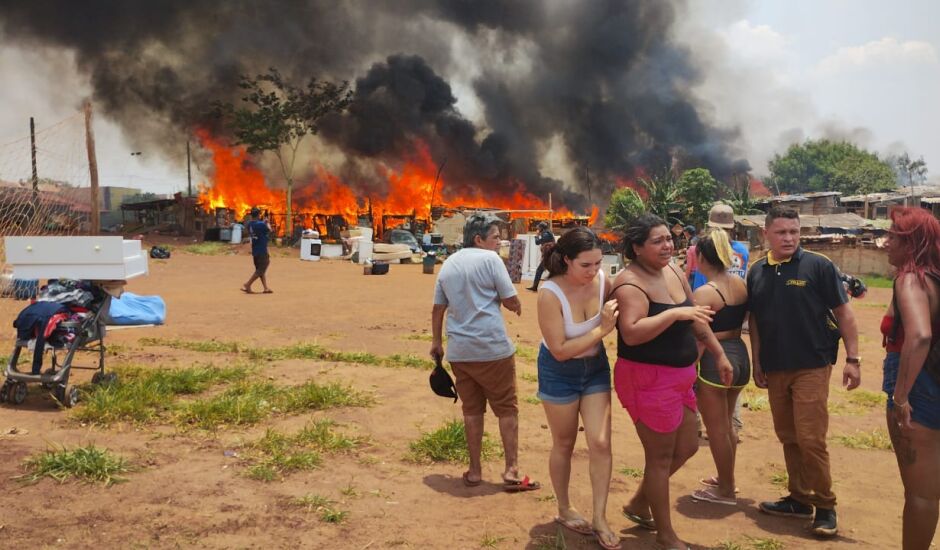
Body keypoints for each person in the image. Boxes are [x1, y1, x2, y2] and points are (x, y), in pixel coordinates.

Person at [611, 214, 732, 550]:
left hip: (681, 376)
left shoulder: (674, 270)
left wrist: (718, 353)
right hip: (647, 378)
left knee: (688, 446)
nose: (668, 246)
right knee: (660, 458)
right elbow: (632, 334)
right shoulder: (629, 283)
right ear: (636, 248)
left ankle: (638, 503)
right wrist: (672, 314)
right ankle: (665, 536)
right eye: (658, 241)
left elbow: (695, 315)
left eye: (669, 239)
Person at [748, 205, 860, 537]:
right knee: (788, 437)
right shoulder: (756, 271)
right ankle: (799, 499)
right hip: (775, 367)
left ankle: (825, 506)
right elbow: (754, 320)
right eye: (781, 232)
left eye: (794, 232)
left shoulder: (819, 266)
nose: (789, 238)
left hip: (812, 365)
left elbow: (844, 312)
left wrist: (853, 359)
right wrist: (756, 361)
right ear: (765, 234)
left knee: (811, 439)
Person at [430, 213, 540, 491]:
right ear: (478, 239)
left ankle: (475, 470)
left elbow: (437, 309)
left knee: (472, 410)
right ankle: (512, 470)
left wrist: (436, 342)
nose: (500, 242)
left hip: (460, 352)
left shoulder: (448, 264)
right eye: (495, 237)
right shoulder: (490, 260)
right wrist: (515, 305)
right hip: (492, 350)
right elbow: (509, 298)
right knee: (506, 408)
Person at [535, 227, 620, 550]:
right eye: (586, 265)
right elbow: (559, 349)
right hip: (559, 371)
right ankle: (564, 507)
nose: (594, 271)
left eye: (599, 263)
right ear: (567, 260)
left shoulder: (603, 283)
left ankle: (599, 516)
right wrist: (602, 329)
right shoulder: (549, 293)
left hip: (595, 368)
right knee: (565, 442)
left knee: (600, 442)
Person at [881, 206, 940, 550]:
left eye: (893, 237)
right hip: (933, 377)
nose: (885, 243)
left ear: (912, 242)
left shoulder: (911, 278)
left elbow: (918, 336)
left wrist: (902, 396)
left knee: (920, 493)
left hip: (918, 388)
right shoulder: (935, 278)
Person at [689, 229, 750, 506]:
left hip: (716, 361)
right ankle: (725, 477)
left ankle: (725, 488)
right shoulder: (740, 285)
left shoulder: (704, 292)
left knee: (716, 429)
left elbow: (700, 335)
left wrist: (690, 368)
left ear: (701, 257)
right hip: (740, 353)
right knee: (727, 424)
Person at [242, 207, 272, 294]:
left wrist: (264, 222)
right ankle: (248, 284)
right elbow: (270, 230)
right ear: (259, 215)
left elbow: (254, 228)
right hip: (262, 250)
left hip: (255, 250)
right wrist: (267, 223)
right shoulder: (261, 224)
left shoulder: (249, 224)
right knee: (262, 268)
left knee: (260, 270)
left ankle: (265, 288)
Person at [527, 221, 556, 292]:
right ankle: (535, 286)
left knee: (540, 270)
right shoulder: (547, 232)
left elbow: (537, 242)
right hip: (550, 255)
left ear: (542, 228)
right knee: (551, 271)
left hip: (549, 255)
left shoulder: (546, 234)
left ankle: (535, 287)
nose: (538, 229)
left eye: (539, 227)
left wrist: (536, 236)